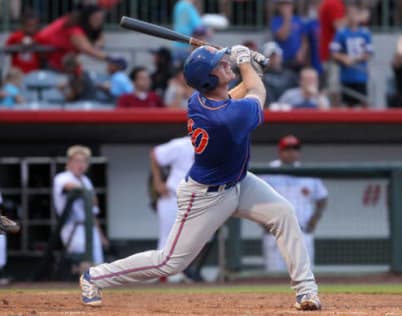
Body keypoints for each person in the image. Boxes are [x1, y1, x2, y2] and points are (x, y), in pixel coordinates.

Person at [79, 45, 321, 311]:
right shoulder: (227, 120)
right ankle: (94, 277)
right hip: (206, 196)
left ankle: (306, 291)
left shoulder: (199, 100)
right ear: (210, 79)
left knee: (284, 213)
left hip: (240, 181)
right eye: (220, 64)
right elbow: (257, 92)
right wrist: (245, 63)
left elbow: (235, 94)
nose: (225, 63)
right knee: (169, 263)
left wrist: (249, 69)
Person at [261, 135, 327, 272]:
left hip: (302, 231)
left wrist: (315, 219)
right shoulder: (268, 173)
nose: (291, 152)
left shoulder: (308, 174)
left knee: (305, 275)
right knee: (273, 278)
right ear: (280, 152)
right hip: (275, 233)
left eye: (295, 149)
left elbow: (322, 198)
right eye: (287, 149)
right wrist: (263, 222)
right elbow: (255, 201)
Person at [53, 145, 109, 266]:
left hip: (90, 228)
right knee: (83, 261)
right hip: (72, 227)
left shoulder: (86, 181)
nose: (81, 165)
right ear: (69, 163)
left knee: (98, 265)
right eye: (77, 161)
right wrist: (87, 192)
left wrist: (101, 235)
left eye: (84, 161)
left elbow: (93, 211)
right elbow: (69, 186)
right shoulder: (62, 177)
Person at [150, 136, 194, 281]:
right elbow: (155, 154)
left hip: (197, 201)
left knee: (191, 240)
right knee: (167, 240)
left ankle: (175, 274)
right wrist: (157, 182)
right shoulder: (182, 144)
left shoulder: (215, 145)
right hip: (174, 197)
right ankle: (163, 278)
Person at [35, 4, 108, 71]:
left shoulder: (80, 23)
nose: (99, 21)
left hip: (59, 59)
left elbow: (100, 36)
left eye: (101, 19)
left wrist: (99, 43)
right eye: (96, 18)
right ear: (88, 17)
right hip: (44, 58)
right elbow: (88, 49)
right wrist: (111, 59)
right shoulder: (74, 28)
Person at [330, 3, 373, 107]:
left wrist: (354, 59)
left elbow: (369, 53)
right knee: (348, 104)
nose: (352, 16)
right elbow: (333, 52)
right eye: (350, 14)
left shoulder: (365, 33)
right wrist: (343, 58)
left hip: (361, 75)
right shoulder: (341, 33)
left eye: (355, 13)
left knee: (364, 101)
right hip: (346, 75)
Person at [318, 0, 346, 106]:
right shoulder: (333, 3)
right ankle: (333, 120)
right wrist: (356, 17)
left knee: (332, 89)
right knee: (333, 90)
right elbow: (338, 25)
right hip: (332, 57)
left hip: (331, 55)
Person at [270, 0, 307, 72]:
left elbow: (304, 40)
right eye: (282, 5)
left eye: (288, 4)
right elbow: (283, 36)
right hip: (284, 60)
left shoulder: (298, 19)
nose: (286, 7)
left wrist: (301, 52)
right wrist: (287, 18)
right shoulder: (276, 20)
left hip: (297, 60)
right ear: (278, 7)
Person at [261, 42, 298, 107]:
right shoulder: (260, 77)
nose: (274, 59)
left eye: (276, 56)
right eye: (271, 57)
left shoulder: (290, 75)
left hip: (290, 110)